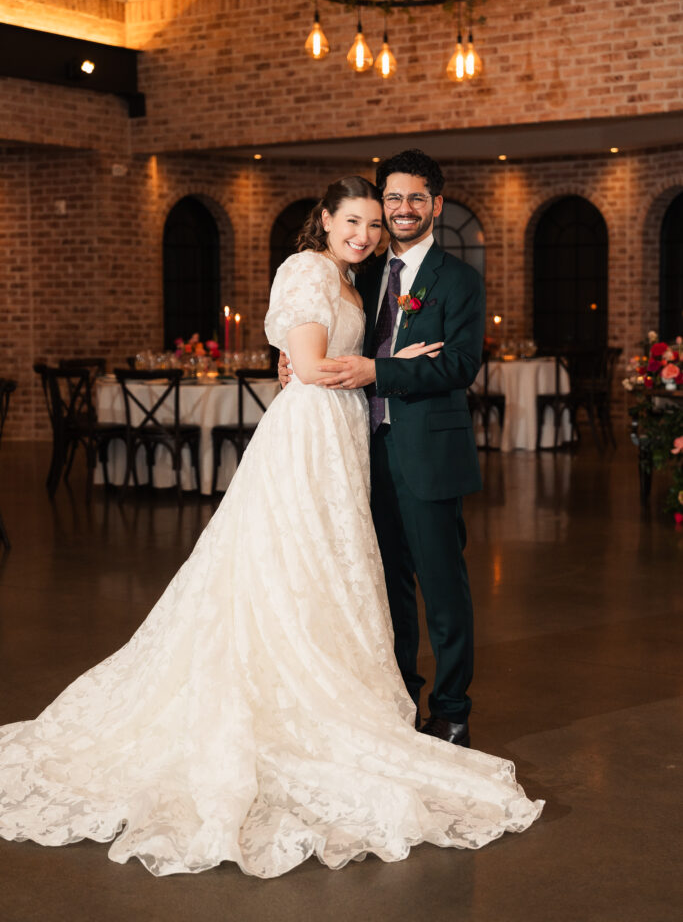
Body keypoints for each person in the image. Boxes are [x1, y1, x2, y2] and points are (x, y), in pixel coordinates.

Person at [0, 176, 541, 879]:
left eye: (374, 225)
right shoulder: (309, 269)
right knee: (295, 561)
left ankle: (370, 693)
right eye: (354, 221)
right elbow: (312, 366)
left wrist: (358, 363)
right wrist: (387, 365)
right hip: (311, 436)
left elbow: (310, 360)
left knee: (330, 567)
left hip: (343, 433)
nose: (367, 234)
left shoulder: (357, 276)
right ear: (323, 219)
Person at [281, 150, 483, 748]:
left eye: (416, 198)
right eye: (392, 198)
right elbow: (316, 333)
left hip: (426, 454)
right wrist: (292, 358)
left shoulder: (458, 279)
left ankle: (450, 710)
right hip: (359, 452)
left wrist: (381, 370)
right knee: (383, 588)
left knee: (443, 591)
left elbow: (461, 366)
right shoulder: (360, 272)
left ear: (436, 206)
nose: (401, 209)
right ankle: (399, 702)